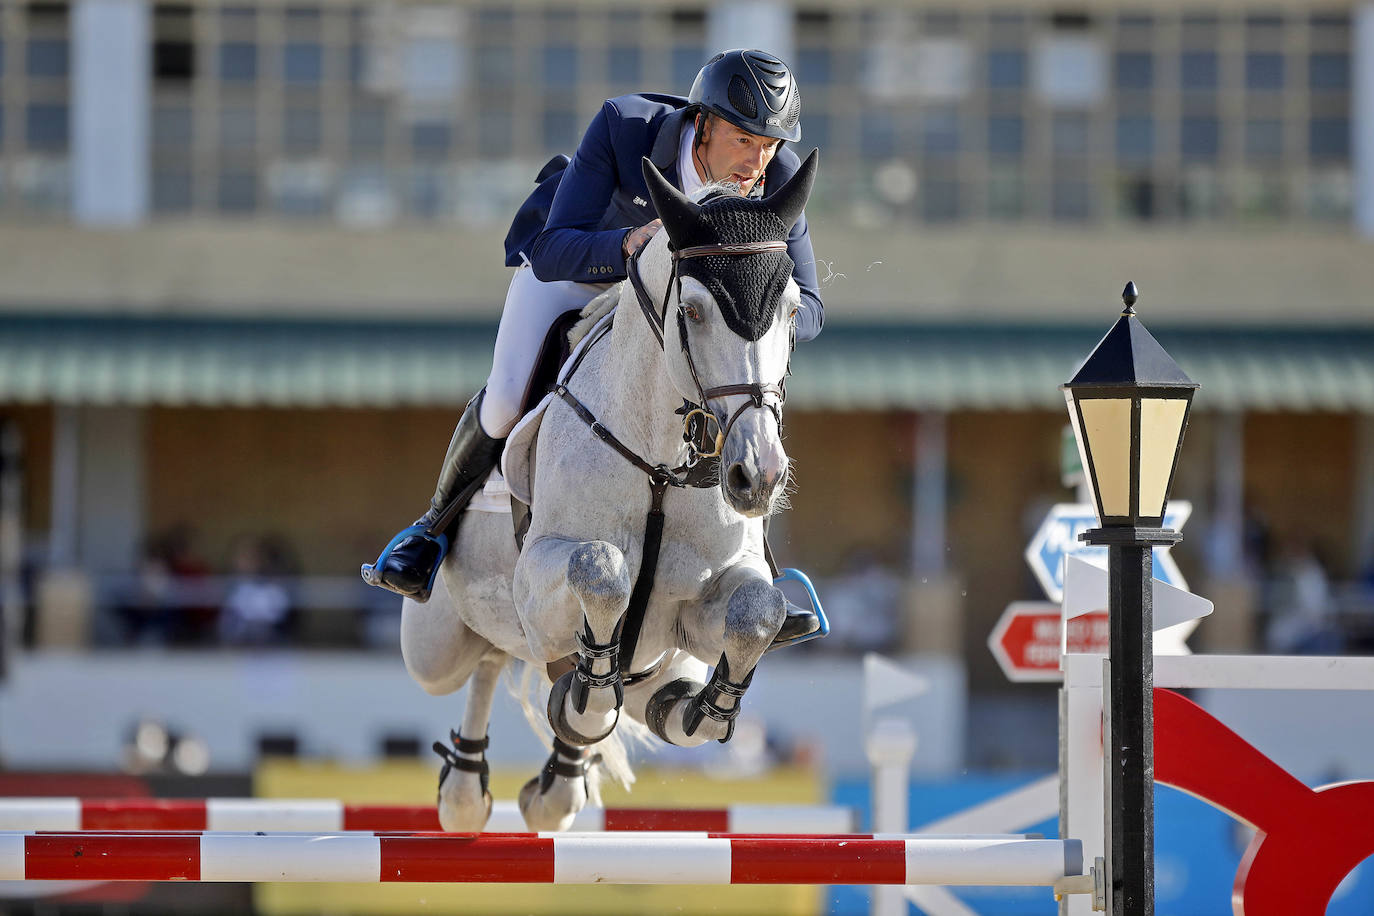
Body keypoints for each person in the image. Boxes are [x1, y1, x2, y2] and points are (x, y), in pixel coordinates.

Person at [364, 49, 824, 622]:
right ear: (703, 123)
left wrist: (763, 318)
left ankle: (756, 570)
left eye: (770, 144)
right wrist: (628, 245)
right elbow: (555, 248)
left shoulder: (779, 179)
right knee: (508, 402)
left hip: (681, 309)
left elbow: (811, 306)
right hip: (582, 271)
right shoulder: (625, 128)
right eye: (743, 140)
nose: (757, 161)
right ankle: (431, 531)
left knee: (740, 405)